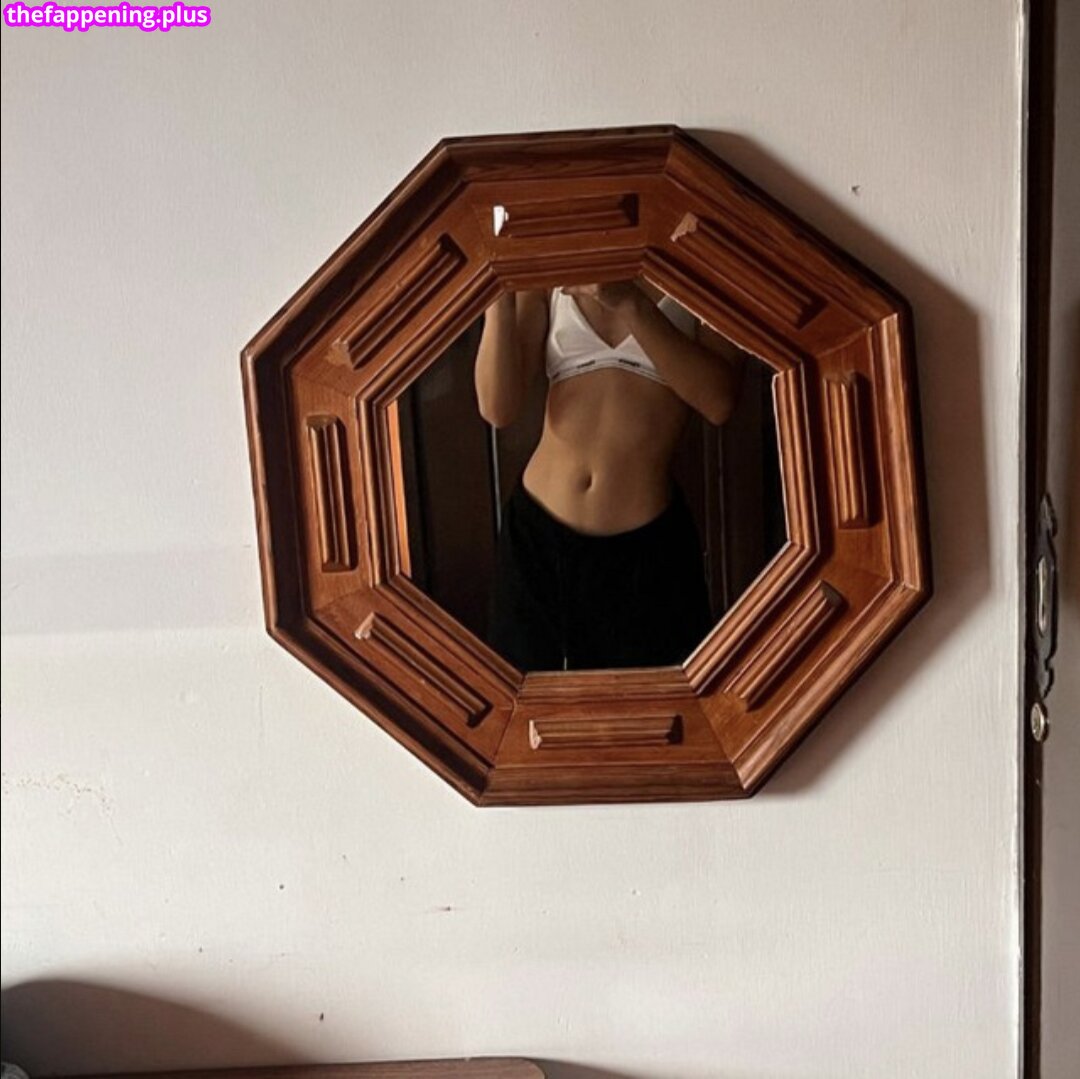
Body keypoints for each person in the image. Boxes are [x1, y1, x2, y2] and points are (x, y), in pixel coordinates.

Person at [475, 280, 743, 672]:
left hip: (645, 549)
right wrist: (497, 296)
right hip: (538, 533)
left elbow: (719, 402)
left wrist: (632, 304)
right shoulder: (551, 275)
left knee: (660, 700)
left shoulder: (701, 268)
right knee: (525, 697)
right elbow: (498, 408)